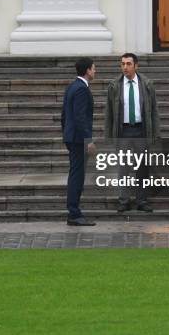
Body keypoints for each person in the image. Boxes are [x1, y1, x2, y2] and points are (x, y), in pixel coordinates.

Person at [104, 53, 160, 212]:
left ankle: (142, 200)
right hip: (123, 131)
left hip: (141, 130)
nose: (125, 67)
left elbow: (154, 110)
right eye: (122, 64)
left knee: (142, 167)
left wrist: (155, 133)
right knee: (123, 167)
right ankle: (124, 200)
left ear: (136, 66)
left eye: (128, 64)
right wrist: (109, 134)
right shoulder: (115, 85)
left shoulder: (147, 84)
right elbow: (109, 112)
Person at [61, 57, 96, 226]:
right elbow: (80, 117)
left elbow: (64, 115)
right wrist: (88, 140)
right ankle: (74, 213)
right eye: (94, 69)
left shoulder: (72, 86)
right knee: (77, 175)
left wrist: (66, 134)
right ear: (88, 70)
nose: (95, 71)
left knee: (75, 173)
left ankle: (73, 211)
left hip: (71, 137)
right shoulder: (82, 89)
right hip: (78, 139)